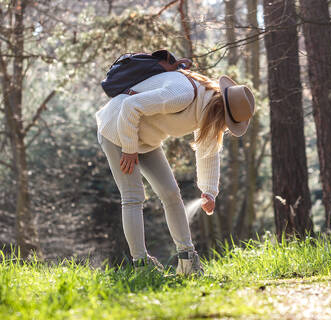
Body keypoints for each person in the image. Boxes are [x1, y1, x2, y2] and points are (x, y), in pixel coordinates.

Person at [95, 68, 255, 275]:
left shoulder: (206, 112)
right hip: (117, 128)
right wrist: (128, 149)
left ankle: (187, 260)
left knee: (171, 193)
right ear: (220, 111)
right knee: (133, 196)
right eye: (227, 124)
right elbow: (130, 105)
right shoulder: (183, 95)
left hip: (146, 139)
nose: (225, 129)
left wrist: (209, 191)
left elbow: (208, 151)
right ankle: (141, 265)